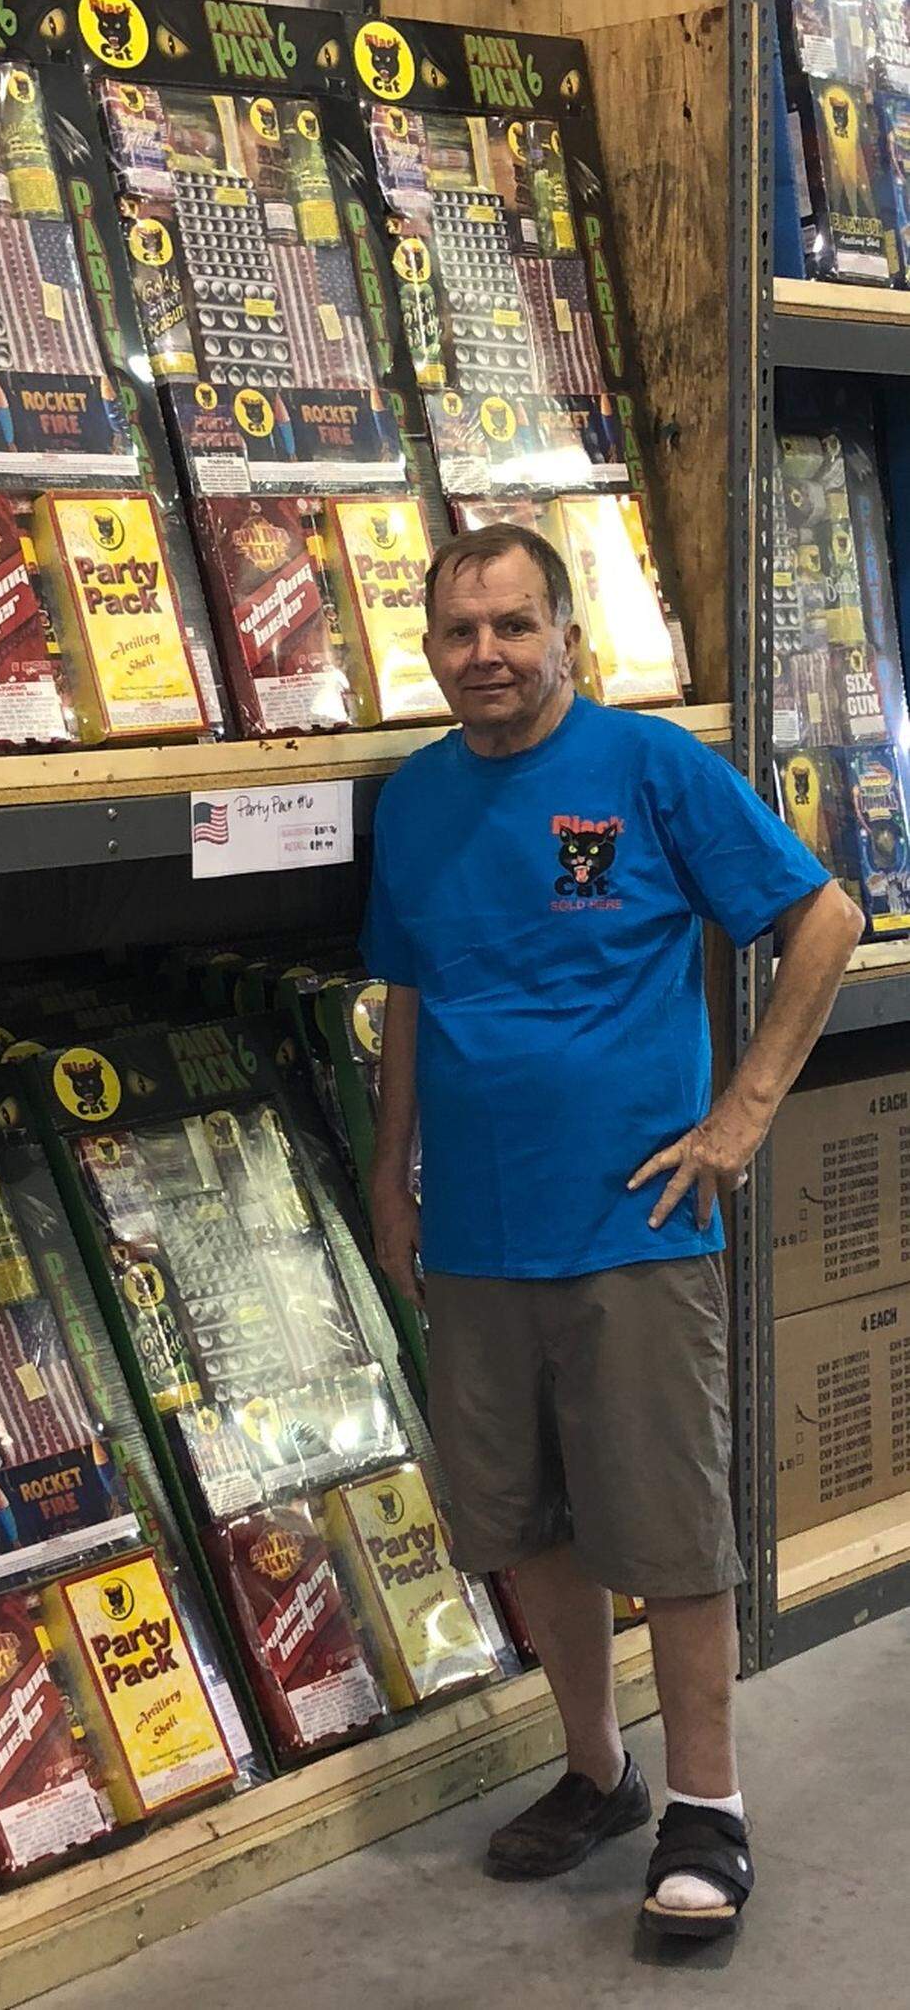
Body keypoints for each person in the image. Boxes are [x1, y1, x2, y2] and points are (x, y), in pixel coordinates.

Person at [363, 522, 862, 1941]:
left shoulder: (651, 772)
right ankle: (598, 1771)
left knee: (670, 1525)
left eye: (514, 627)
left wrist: (745, 1113)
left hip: (632, 1223)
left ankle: (710, 1806)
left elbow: (823, 917)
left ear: (566, 636)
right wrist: (391, 1174)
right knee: (528, 1527)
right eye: (460, 634)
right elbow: (407, 995)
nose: (487, 657)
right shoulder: (415, 803)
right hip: (475, 1232)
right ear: (432, 649)